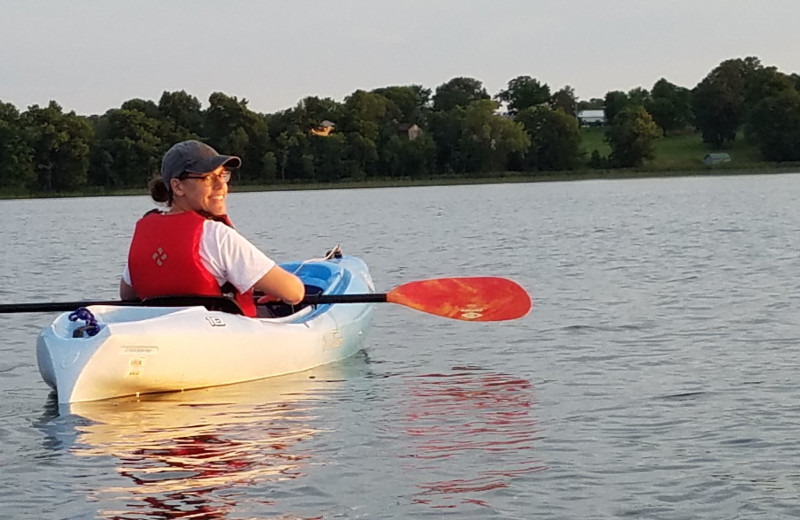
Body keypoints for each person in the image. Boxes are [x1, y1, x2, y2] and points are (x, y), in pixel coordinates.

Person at [119, 140, 305, 317]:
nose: (221, 185)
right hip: (219, 335)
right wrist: (275, 290)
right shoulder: (216, 235)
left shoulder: (146, 232)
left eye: (222, 175)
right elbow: (294, 292)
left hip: (163, 331)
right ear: (177, 187)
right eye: (207, 178)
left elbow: (127, 294)